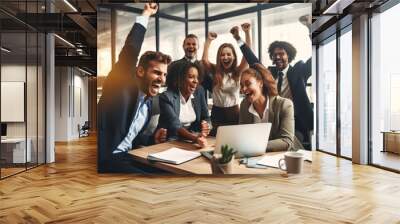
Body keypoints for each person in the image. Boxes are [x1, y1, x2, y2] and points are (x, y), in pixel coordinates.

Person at [97, 3, 171, 173]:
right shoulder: (120, 86)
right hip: (107, 158)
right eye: (157, 73)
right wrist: (146, 14)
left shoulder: (149, 103)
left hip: (128, 156)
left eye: (164, 75)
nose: (162, 79)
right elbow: (130, 50)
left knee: (166, 172)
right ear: (140, 71)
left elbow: (130, 136)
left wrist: (153, 138)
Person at [232, 23, 313, 150]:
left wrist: (311, 28)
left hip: (297, 121)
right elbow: (252, 59)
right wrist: (238, 39)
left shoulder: (299, 69)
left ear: (289, 56)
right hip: (271, 117)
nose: (278, 57)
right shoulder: (269, 73)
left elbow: (314, 58)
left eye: (281, 54)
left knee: (293, 140)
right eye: (275, 55)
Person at [202, 23, 251, 135]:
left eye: (229, 54)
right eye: (222, 55)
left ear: (234, 56)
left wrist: (247, 33)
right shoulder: (215, 71)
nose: (225, 57)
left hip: (234, 113)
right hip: (217, 113)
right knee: (215, 141)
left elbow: (247, 55)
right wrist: (208, 41)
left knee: (233, 141)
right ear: (219, 57)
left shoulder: (238, 72)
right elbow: (204, 61)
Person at [158, 61, 211, 148]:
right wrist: (195, 138)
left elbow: (206, 117)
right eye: (191, 77)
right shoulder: (166, 97)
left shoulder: (199, 91)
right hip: (171, 141)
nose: (196, 81)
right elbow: (176, 126)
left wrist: (207, 125)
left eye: (197, 77)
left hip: (192, 139)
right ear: (179, 79)